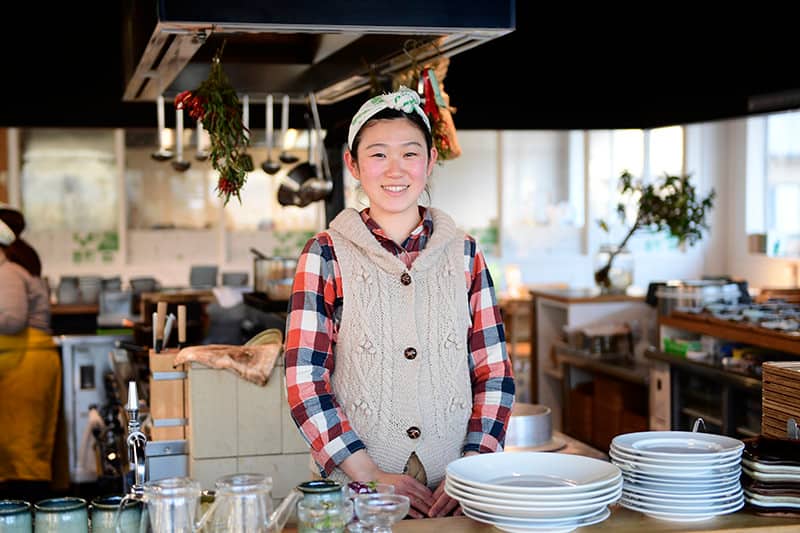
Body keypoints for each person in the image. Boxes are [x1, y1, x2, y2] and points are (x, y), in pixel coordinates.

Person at [284, 87, 515, 519]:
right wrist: (366, 473)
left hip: (457, 494)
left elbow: (494, 372)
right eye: (377, 155)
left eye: (410, 154)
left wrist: (472, 468)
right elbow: (304, 380)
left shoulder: (464, 253)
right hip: (357, 497)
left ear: (429, 162)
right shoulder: (325, 253)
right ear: (353, 165)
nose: (395, 169)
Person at [0, 204, 64, 502]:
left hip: (25, 364)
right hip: (23, 363)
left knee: (22, 455)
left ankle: (27, 517)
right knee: (20, 454)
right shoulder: (19, 260)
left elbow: (11, 320)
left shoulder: (9, 270)